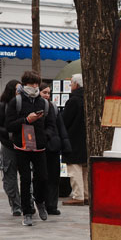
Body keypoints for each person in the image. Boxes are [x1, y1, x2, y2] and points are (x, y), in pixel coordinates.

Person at [4, 71, 50, 226]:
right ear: (24, 85)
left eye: (37, 84)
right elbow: (8, 125)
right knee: (25, 179)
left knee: (42, 177)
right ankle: (27, 212)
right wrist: (25, 120)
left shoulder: (43, 102)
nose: (35, 87)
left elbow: (51, 124)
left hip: (39, 146)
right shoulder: (15, 102)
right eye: (31, 84)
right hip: (22, 146)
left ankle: (40, 201)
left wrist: (46, 136)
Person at [40, 84, 71, 216]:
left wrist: (65, 145)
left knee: (54, 177)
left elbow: (61, 127)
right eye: (44, 92)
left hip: (54, 147)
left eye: (49, 93)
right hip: (40, 148)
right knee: (42, 178)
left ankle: (52, 205)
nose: (47, 95)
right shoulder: (35, 106)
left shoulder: (53, 107)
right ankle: (41, 202)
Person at [0, 80, 23, 216]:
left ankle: (27, 203)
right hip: (8, 146)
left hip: (24, 146)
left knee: (27, 177)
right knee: (9, 177)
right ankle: (16, 206)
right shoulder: (3, 106)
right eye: (17, 89)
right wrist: (9, 133)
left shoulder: (24, 105)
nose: (20, 91)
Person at [62, 74, 88, 206]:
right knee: (84, 167)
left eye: (71, 83)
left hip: (73, 138)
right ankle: (86, 194)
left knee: (74, 168)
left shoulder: (73, 100)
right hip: (85, 140)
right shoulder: (88, 98)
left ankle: (78, 196)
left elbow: (65, 120)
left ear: (76, 85)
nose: (70, 86)